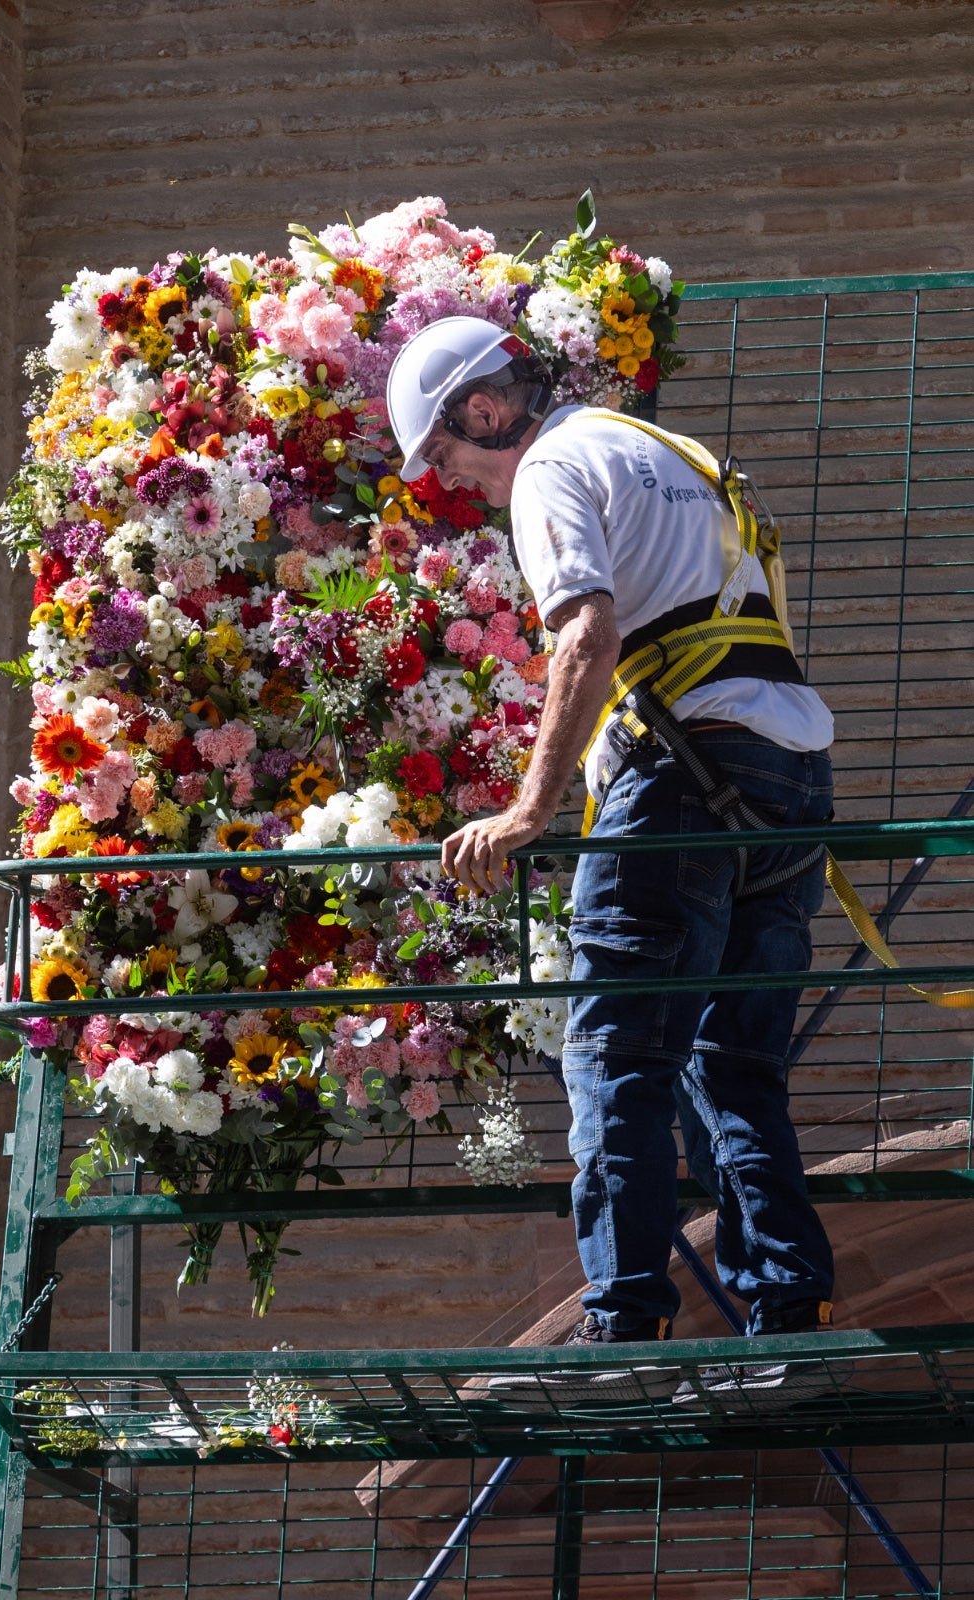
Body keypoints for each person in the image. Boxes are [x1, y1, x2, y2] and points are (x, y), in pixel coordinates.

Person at [386, 317, 839, 1401]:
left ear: (482, 409)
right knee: (735, 1068)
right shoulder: (671, 453)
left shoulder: (549, 469)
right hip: (788, 776)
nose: (460, 484)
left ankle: (624, 1334)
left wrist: (530, 809)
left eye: (448, 459)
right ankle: (791, 1321)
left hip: (679, 776)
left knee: (616, 1058)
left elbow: (584, 632)